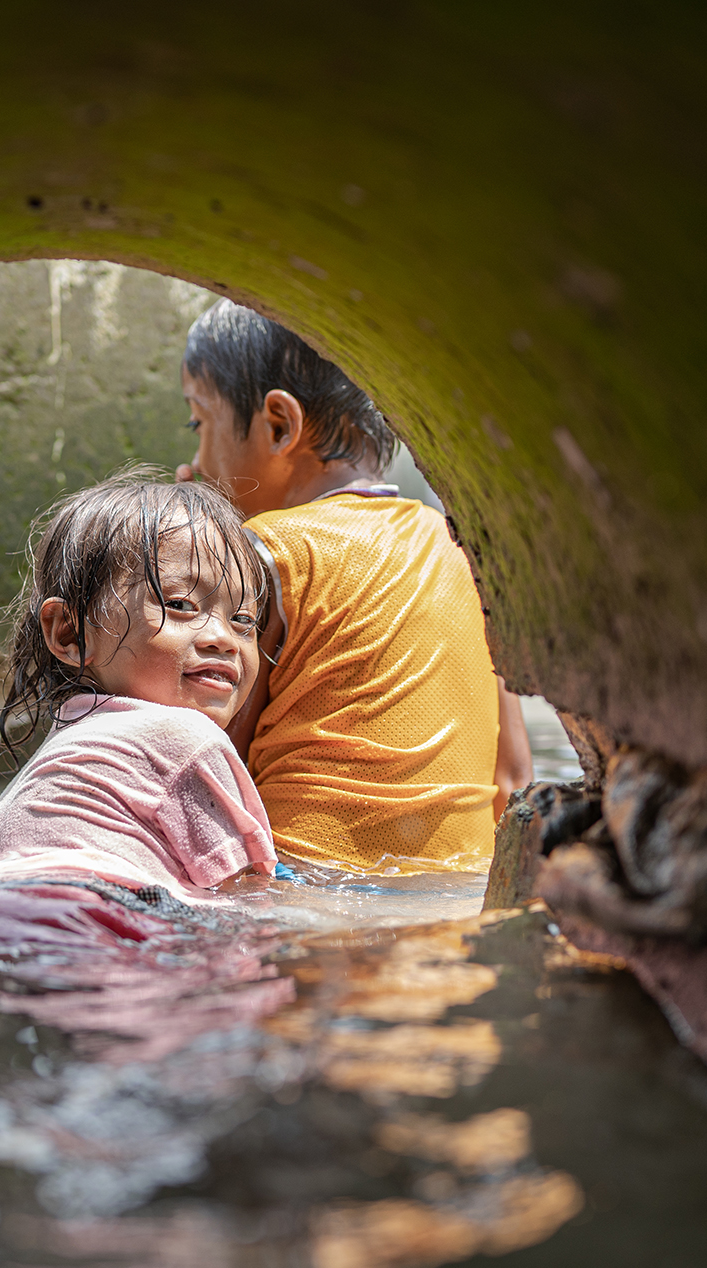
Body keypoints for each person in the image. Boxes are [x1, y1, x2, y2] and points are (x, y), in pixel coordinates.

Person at [176, 300, 533, 868]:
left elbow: (212, 771)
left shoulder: (267, 551)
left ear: (278, 425)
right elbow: (514, 781)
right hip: (451, 908)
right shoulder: (464, 550)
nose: (191, 462)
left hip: (308, 900)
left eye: (199, 423)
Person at [0, 471, 278, 901]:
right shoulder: (187, 740)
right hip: (109, 923)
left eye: (243, 619)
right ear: (71, 634)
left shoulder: (66, 749)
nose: (222, 638)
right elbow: (248, 896)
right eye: (180, 606)